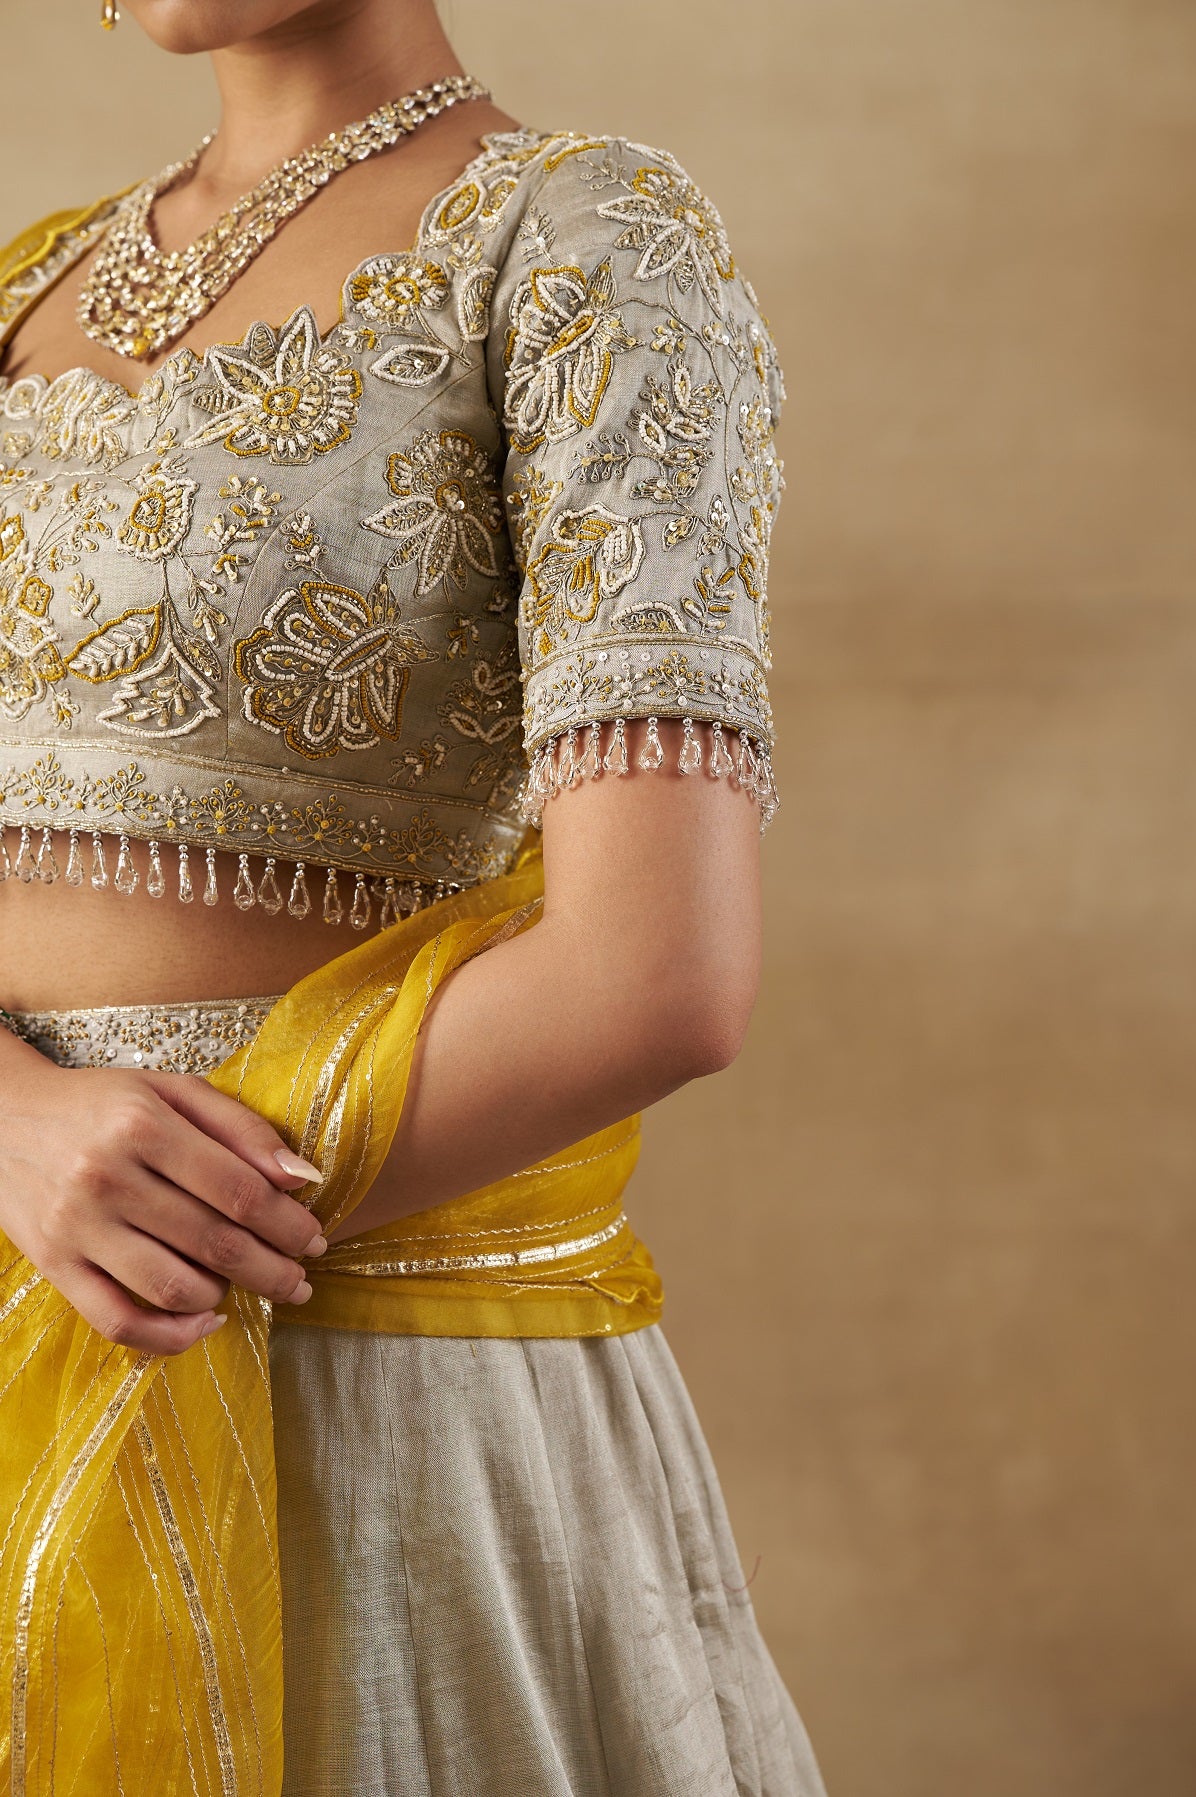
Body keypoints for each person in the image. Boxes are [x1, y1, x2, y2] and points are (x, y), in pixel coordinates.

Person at [0, 2, 828, 1793]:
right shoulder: (19, 291)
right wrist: (21, 1137)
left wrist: (155, 1221)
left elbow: (657, 975)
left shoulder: (583, 241)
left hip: (376, 1401)